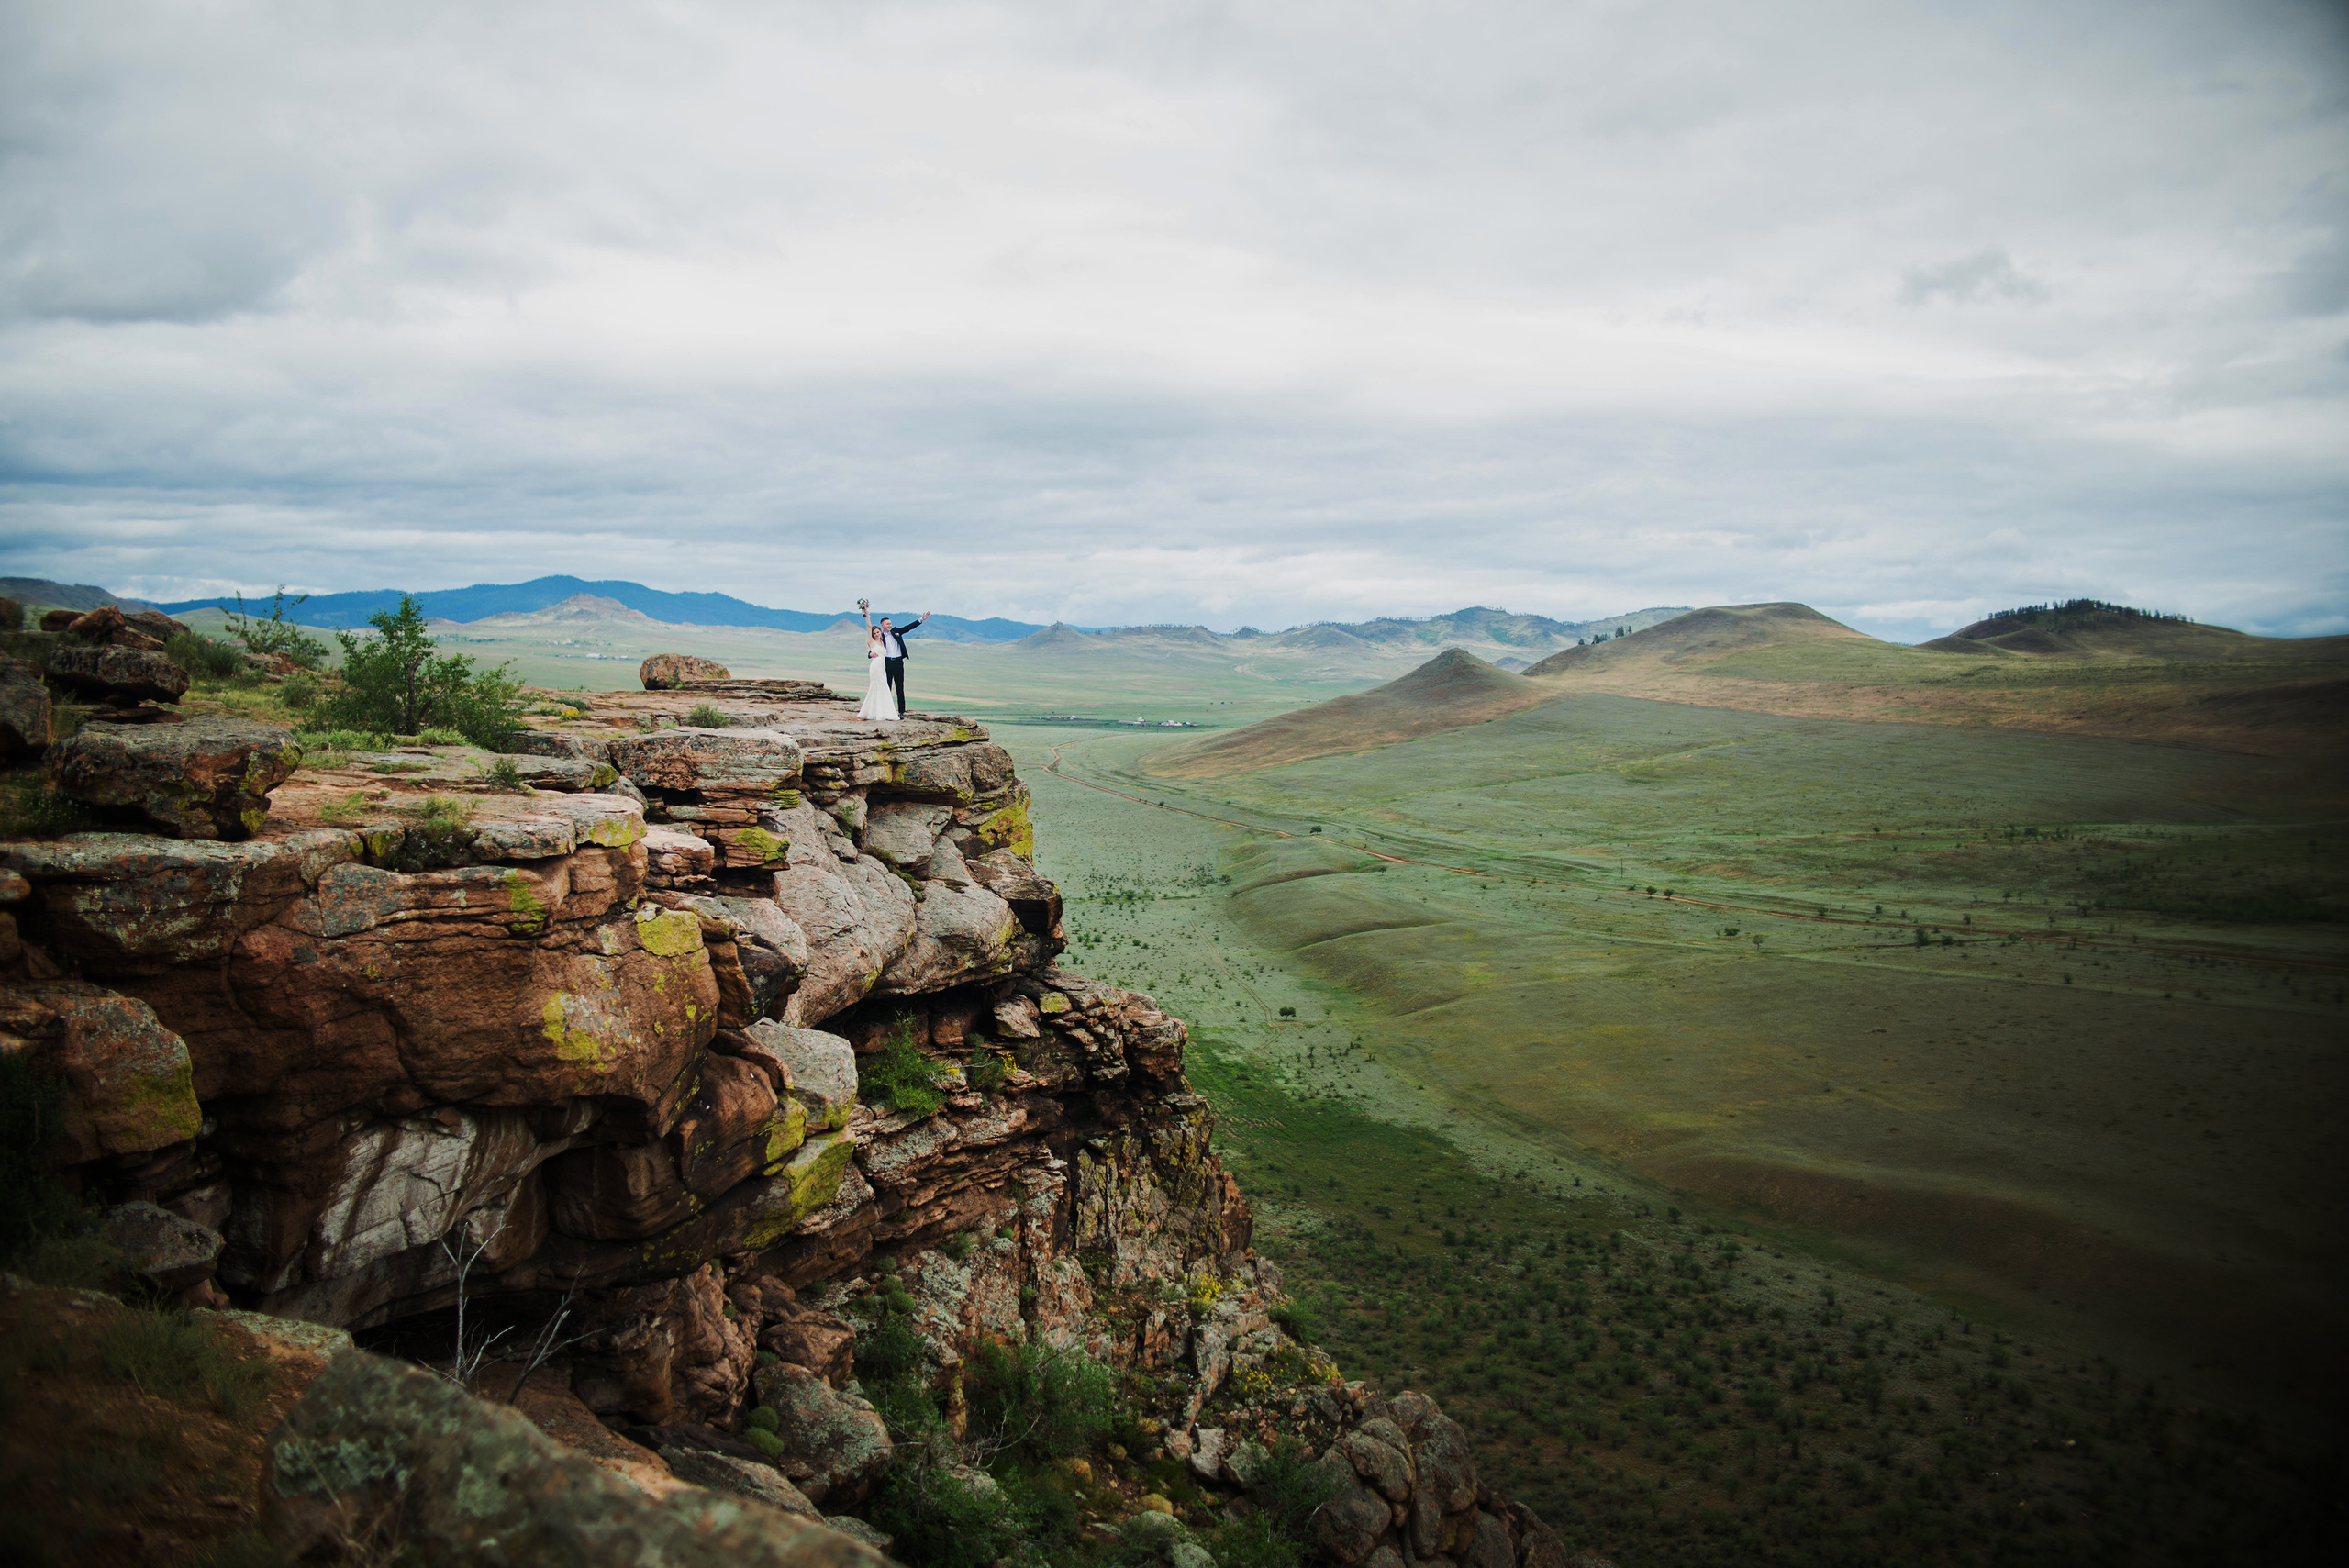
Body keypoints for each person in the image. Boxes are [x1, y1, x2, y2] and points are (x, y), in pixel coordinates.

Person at [863, 601, 930, 716]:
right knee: (887, 687)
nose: (890, 625)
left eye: (890, 623)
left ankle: (901, 712)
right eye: (887, 624)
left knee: (900, 688)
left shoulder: (897, 632)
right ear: (882, 625)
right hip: (887, 663)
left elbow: (909, 627)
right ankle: (886, 711)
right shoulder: (880, 636)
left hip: (899, 662)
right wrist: (870, 654)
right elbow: (874, 647)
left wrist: (921, 619)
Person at [855, 601, 899, 722]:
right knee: (877, 686)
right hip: (875, 667)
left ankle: (884, 711)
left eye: (877, 632)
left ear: (880, 632)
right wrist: (866, 614)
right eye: (874, 633)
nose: (876, 634)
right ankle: (875, 712)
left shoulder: (882, 642)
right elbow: (869, 627)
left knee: (884, 687)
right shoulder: (872, 642)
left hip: (882, 667)